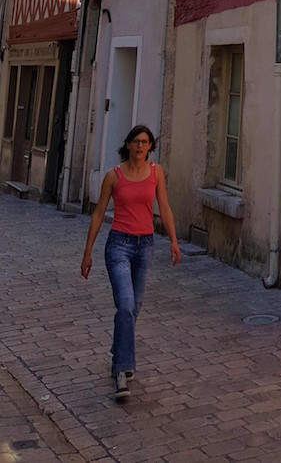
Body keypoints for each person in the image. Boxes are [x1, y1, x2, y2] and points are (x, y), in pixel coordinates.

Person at [80, 124, 180, 399]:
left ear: (150, 146)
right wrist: (87, 252)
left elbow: (165, 207)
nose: (140, 146)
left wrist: (173, 240)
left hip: (145, 246)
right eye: (136, 141)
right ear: (128, 144)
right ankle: (122, 372)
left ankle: (119, 353)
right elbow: (99, 213)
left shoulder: (156, 172)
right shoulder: (114, 176)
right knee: (125, 305)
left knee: (133, 309)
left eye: (145, 141)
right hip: (119, 246)